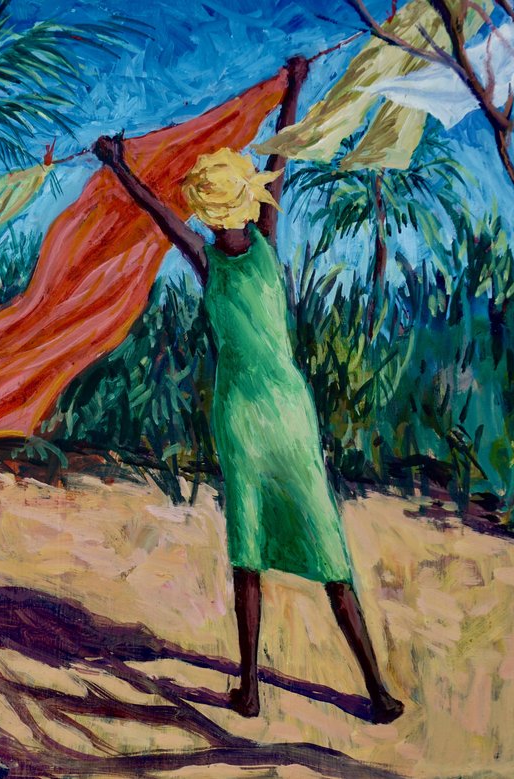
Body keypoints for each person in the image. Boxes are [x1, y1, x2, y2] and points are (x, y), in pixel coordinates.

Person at [90, 60, 404, 724]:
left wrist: (118, 165)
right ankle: (377, 690)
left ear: (207, 216)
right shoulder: (265, 240)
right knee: (329, 550)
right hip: (289, 411)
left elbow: (156, 212)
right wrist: (294, 87)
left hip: (240, 416)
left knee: (249, 551)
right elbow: (279, 154)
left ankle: (252, 688)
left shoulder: (206, 262)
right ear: (246, 202)